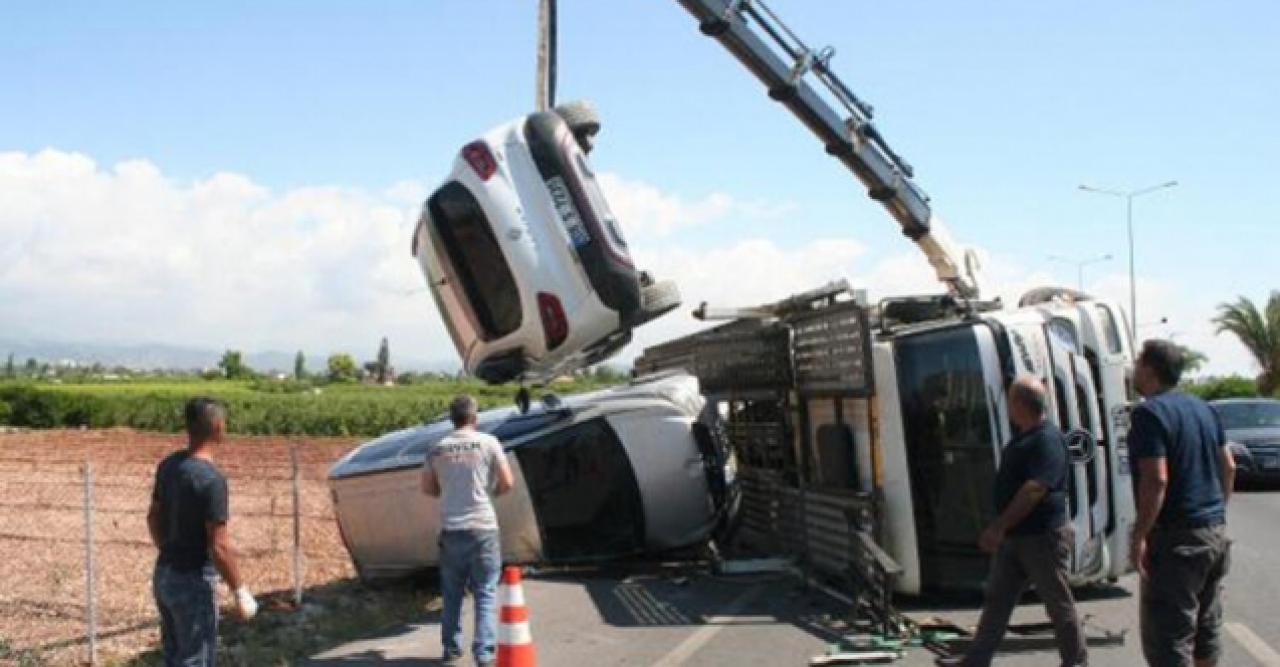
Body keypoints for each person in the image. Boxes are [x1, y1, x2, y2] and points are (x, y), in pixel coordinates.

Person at [938, 376, 1087, 667]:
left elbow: (1034, 489)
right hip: (1016, 538)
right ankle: (976, 661)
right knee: (997, 601)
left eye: (1010, 401)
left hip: (1041, 537)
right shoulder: (1024, 437)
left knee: (1058, 604)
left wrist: (999, 526)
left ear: (1020, 404)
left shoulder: (1047, 438)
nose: (1007, 407)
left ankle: (1076, 662)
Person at [1129, 340, 1234, 667]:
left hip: (1177, 542)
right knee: (1205, 633)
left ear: (1149, 369)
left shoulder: (1149, 413)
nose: (1133, 368)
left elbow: (1156, 479)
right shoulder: (1204, 409)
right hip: (1213, 534)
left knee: (1169, 641)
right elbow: (1228, 466)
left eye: (1137, 362)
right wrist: (1216, 513)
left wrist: (1139, 536)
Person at [148, 397, 257, 666]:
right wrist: (240, 591)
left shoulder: (169, 466)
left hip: (164, 575)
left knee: (174, 655)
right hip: (193, 581)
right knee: (195, 660)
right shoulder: (211, 481)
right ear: (218, 427)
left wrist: (168, 550)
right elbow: (218, 546)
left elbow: (153, 516)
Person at [422, 395, 515, 666]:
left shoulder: (437, 448)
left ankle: (451, 648)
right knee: (485, 591)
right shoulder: (489, 443)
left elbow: (427, 488)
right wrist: (490, 494)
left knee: (451, 593)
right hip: (483, 527)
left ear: (451, 418)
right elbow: (507, 482)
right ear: (475, 418)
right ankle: (483, 654)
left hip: (452, 529)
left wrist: (447, 491)